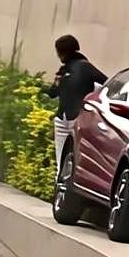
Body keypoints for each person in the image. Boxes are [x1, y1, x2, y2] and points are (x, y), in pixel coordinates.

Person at [47, 35, 106, 171]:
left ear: (63, 52)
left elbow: (52, 93)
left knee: (65, 161)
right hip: (69, 118)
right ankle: (62, 186)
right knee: (69, 161)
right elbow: (53, 92)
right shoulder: (68, 69)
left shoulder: (83, 68)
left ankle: (62, 185)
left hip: (72, 119)